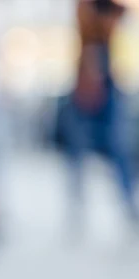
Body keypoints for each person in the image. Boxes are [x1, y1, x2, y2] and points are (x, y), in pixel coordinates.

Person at [55, 0, 137, 227]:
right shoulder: (86, 8)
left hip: (107, 81)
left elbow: (117, 20)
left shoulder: (107, 8)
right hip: (85, 81)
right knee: (78, 148)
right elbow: (91, 25)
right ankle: (77, 208)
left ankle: (127, 204)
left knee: (117, 146)